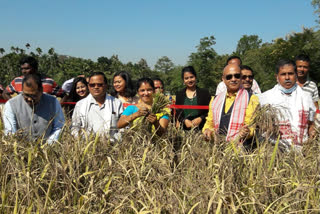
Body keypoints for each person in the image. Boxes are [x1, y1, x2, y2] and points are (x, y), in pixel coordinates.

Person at [259, 59, 316, 151]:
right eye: (283, 74)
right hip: (274, 151)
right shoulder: (265, 98)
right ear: (276, 77)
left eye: (290, 74)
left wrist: (311, 139)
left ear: (296, 75)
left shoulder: (306, 97)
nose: (287, 78)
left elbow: (311, 124)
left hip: (301, 152)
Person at [203, 64, 259, 143]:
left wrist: (247, 131)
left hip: (241, 149)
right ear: (223, 79)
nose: (233, 79)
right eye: (229, 77)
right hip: (218, 148)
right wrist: (207, 131)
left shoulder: (252, 99)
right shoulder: (215, 100)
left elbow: (251, 126)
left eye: (237, 76)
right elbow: (209, 123)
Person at [2, 73, 65, 144]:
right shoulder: (11, 105)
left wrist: (49, 144)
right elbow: (10, 131)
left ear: (41, 91)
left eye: (33, 95)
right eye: (26, 95)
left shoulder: (53, 102)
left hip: (48, 149)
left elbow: (59, 126)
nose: (29, 99)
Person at [71, 72, 123, 139]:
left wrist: (115, 140)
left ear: (106, 85)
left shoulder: (117, 103)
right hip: (86, 145)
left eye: (100, 85)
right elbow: (75, 127)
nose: (96, 87)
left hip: (113, 145)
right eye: (92, 85)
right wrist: (80, 139)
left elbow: (124, 127)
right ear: (88, 86)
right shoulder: (80, 105)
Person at [175, 66, 211, 130]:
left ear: (195, 77)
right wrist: (184, 120)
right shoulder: (179, 94)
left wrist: (201, 118)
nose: (189, 80)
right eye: (186, 78)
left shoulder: (204, 93)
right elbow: (178, 113)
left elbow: (210, 111)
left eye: (191, 77)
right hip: (184, 130)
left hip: (201, 129)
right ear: (183, 80)